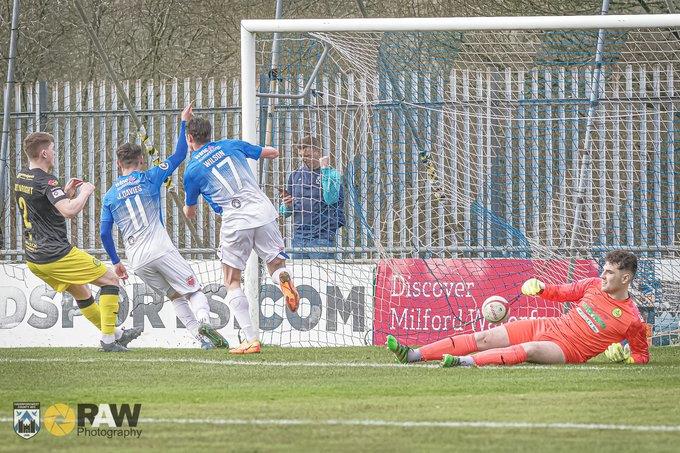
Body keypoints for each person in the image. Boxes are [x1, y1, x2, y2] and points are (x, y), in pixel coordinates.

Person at [100, 104, 227, 350]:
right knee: (193, 291)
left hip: (137, 259)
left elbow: (104, 233)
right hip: (160, 248)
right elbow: (180, 154)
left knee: (175, 296)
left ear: (118, 164)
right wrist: (183, 122)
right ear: (141, 160)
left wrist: (116, 262)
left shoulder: (110, 195)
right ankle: (203, 322)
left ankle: (201, 340)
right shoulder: (150, 177)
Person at [386, 250, 649, 367]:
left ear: (625, 278)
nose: (602, 276)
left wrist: (626, 358)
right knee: (484, 337)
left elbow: (642, 356)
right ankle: (414, 354)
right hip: (547, 326)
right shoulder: (592, 284)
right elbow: (562, 292)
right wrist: (540, 287)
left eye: (609, 272)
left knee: (529, 350)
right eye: (603, 270)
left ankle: (464, 362)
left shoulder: (631, 320)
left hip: (568, 350)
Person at [182, 116, 300, 354]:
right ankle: (283, 280)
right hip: (263, 211)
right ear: (210, 134)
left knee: (232, 280)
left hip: (236, 220)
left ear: (190, 139)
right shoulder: (229, 145)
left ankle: (250, 339)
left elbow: (191, 213)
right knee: (276, 264)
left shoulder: (192, 170)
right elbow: (272, 152)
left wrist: (185, 205)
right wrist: (260, 151)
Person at [14, 132, 141, 352]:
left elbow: (41, 209)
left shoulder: (21, 177)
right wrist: (84, 193)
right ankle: (109, 341)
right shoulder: (47, 180)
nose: (54, 153)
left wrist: (64, 193)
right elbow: (69, 211)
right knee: (111, 280)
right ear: (44, 153)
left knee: (81, 292)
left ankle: (116, 333)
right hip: (55, 254)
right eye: (52, 149)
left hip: (34, 258)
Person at [279, 135, 344, 259]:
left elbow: (331, 199)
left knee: (323, 277)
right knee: (298, 277)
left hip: (322, 238)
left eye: (307, 155)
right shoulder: (295, 175)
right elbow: (284, 212)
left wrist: (324, 169)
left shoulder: (332, 174)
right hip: (299, 238)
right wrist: (287, 206)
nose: (304, 159)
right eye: (301, 156)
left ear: (317, 152)